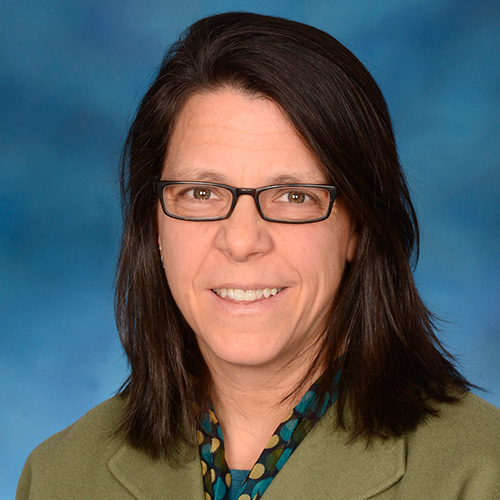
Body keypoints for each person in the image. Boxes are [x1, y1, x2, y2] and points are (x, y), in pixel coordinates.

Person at [16, 11, 500, 500]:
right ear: (153, 223)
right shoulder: (60, 476)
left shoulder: (480, 472)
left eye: (293, 196)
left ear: (358, 227)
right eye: (201, 192)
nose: (242, 241)